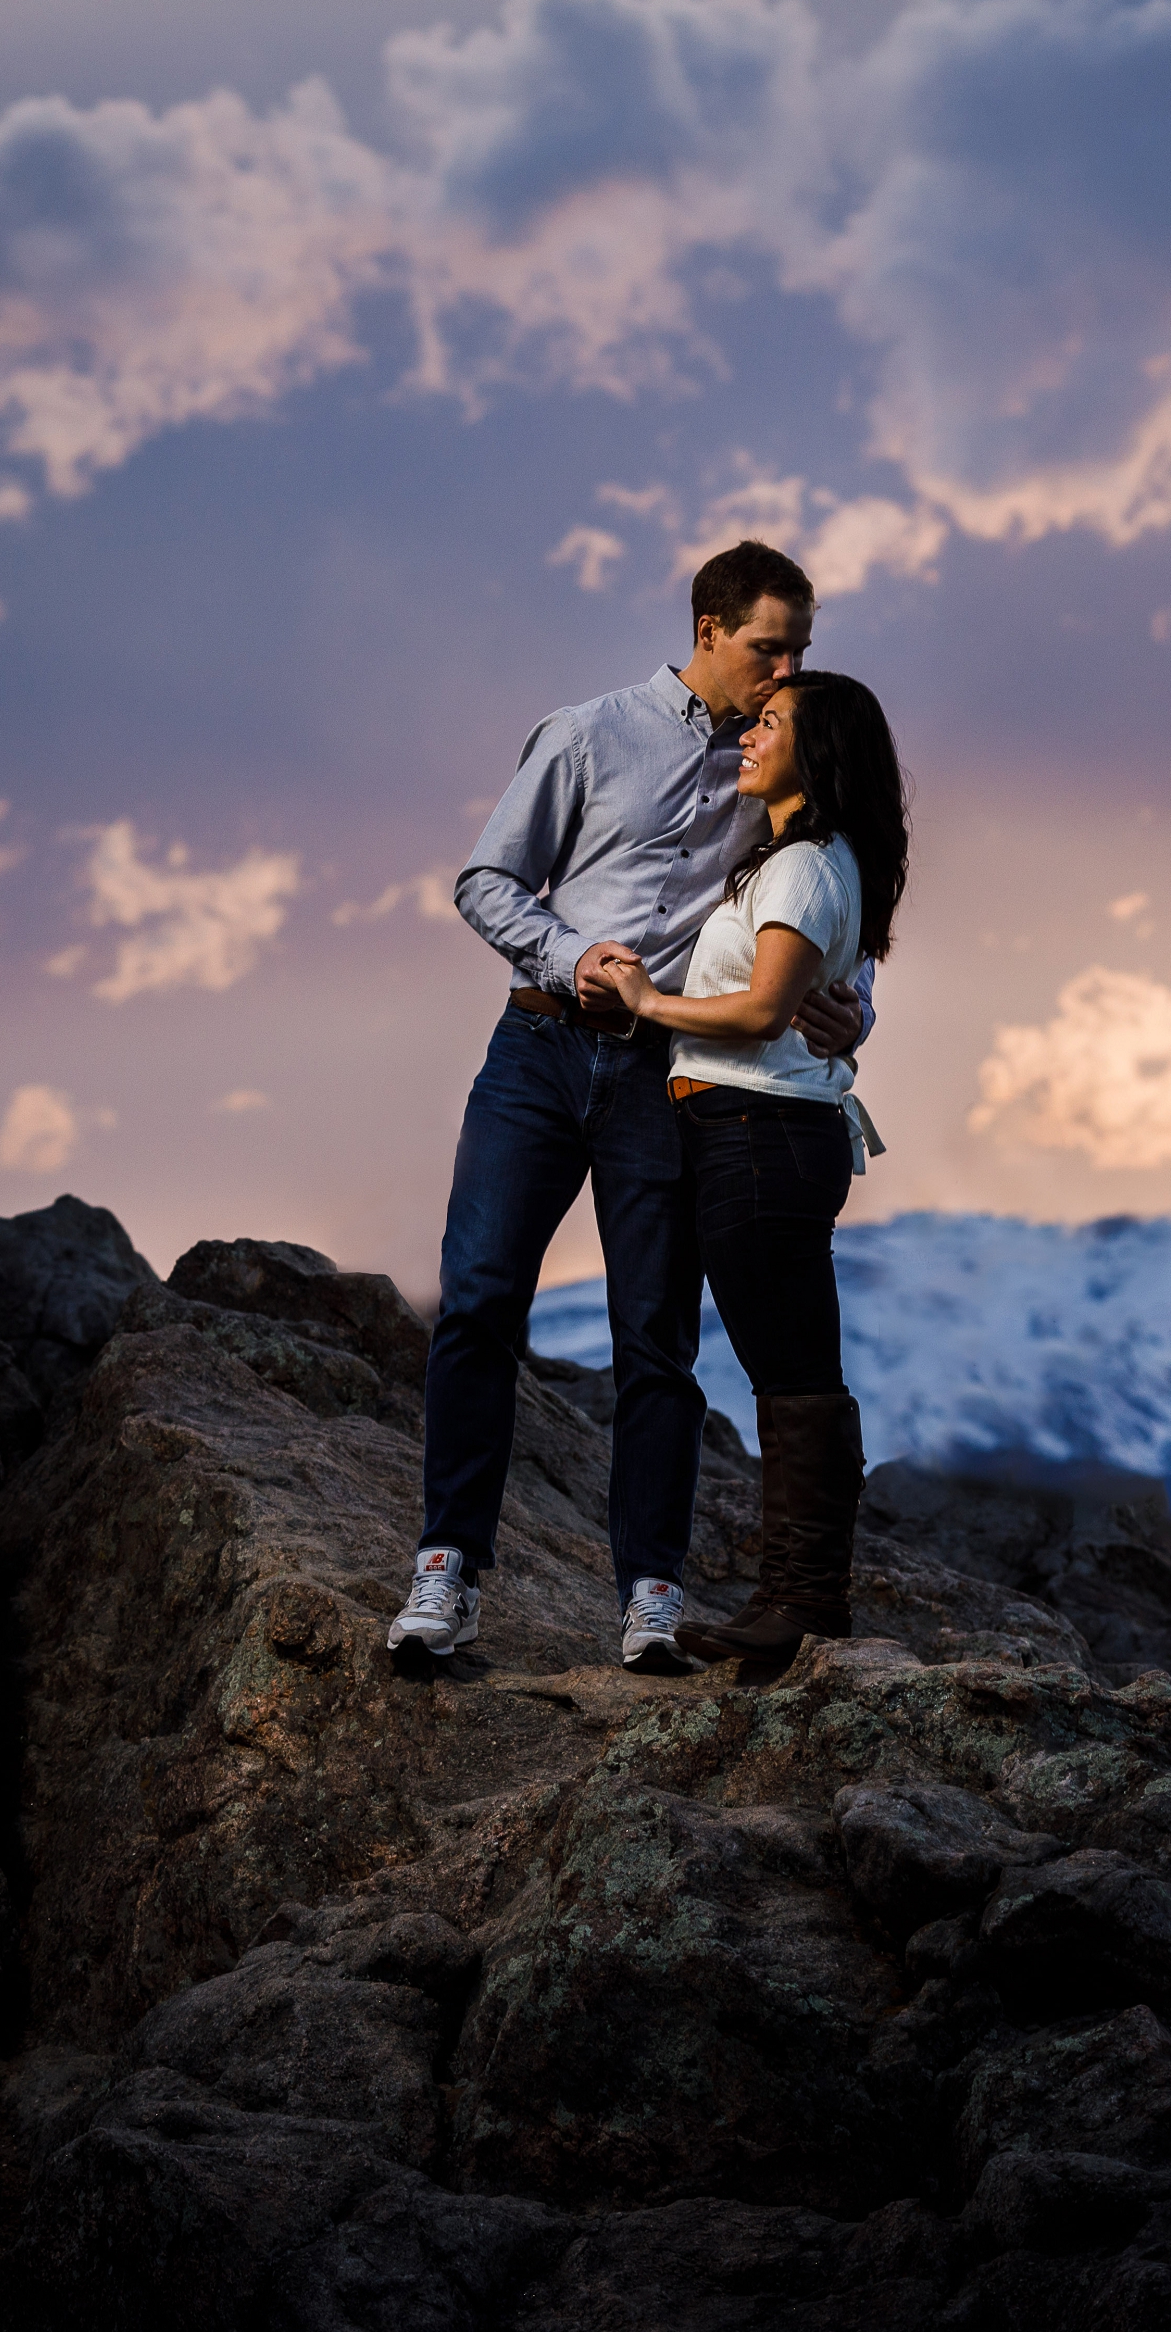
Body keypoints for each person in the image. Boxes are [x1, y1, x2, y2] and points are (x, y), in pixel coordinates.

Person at [395, 542, 867, 1670]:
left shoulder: (774, 763)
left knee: (653, 1336)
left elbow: (823, 906)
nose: (785, 668)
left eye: (800, 648)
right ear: (709, 628)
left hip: (666, 1078)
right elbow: (483, 881)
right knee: (477, 1302)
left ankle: (648, 1593)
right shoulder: (587, 732)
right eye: (768, 645)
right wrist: (571, 954)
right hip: (541, 1050)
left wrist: (854, 1014)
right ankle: (445, 1570)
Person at [587, 667, 905, 1667]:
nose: (748, 737)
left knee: (795, 1370)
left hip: (760, 1133)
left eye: (770, 724)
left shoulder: (807, 864)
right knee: (791, 1367)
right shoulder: (794, 860)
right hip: (749, 1130)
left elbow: (763, 1010)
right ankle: (797, 1594)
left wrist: (647, 1003)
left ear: (816, 753)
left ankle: (803, 1600)